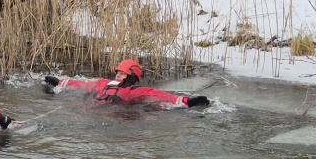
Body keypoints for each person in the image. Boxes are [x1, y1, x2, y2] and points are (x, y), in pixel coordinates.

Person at [43, 59, 210, 108]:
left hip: (119, 115)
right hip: (95, 109)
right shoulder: (102, 83)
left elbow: (164, 97)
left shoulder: (137, 91)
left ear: (132, 76)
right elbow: (81, 84)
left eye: (122, 73)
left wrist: (188, 101)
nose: (118, 75)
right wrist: (60, 82)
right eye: (117, 72)